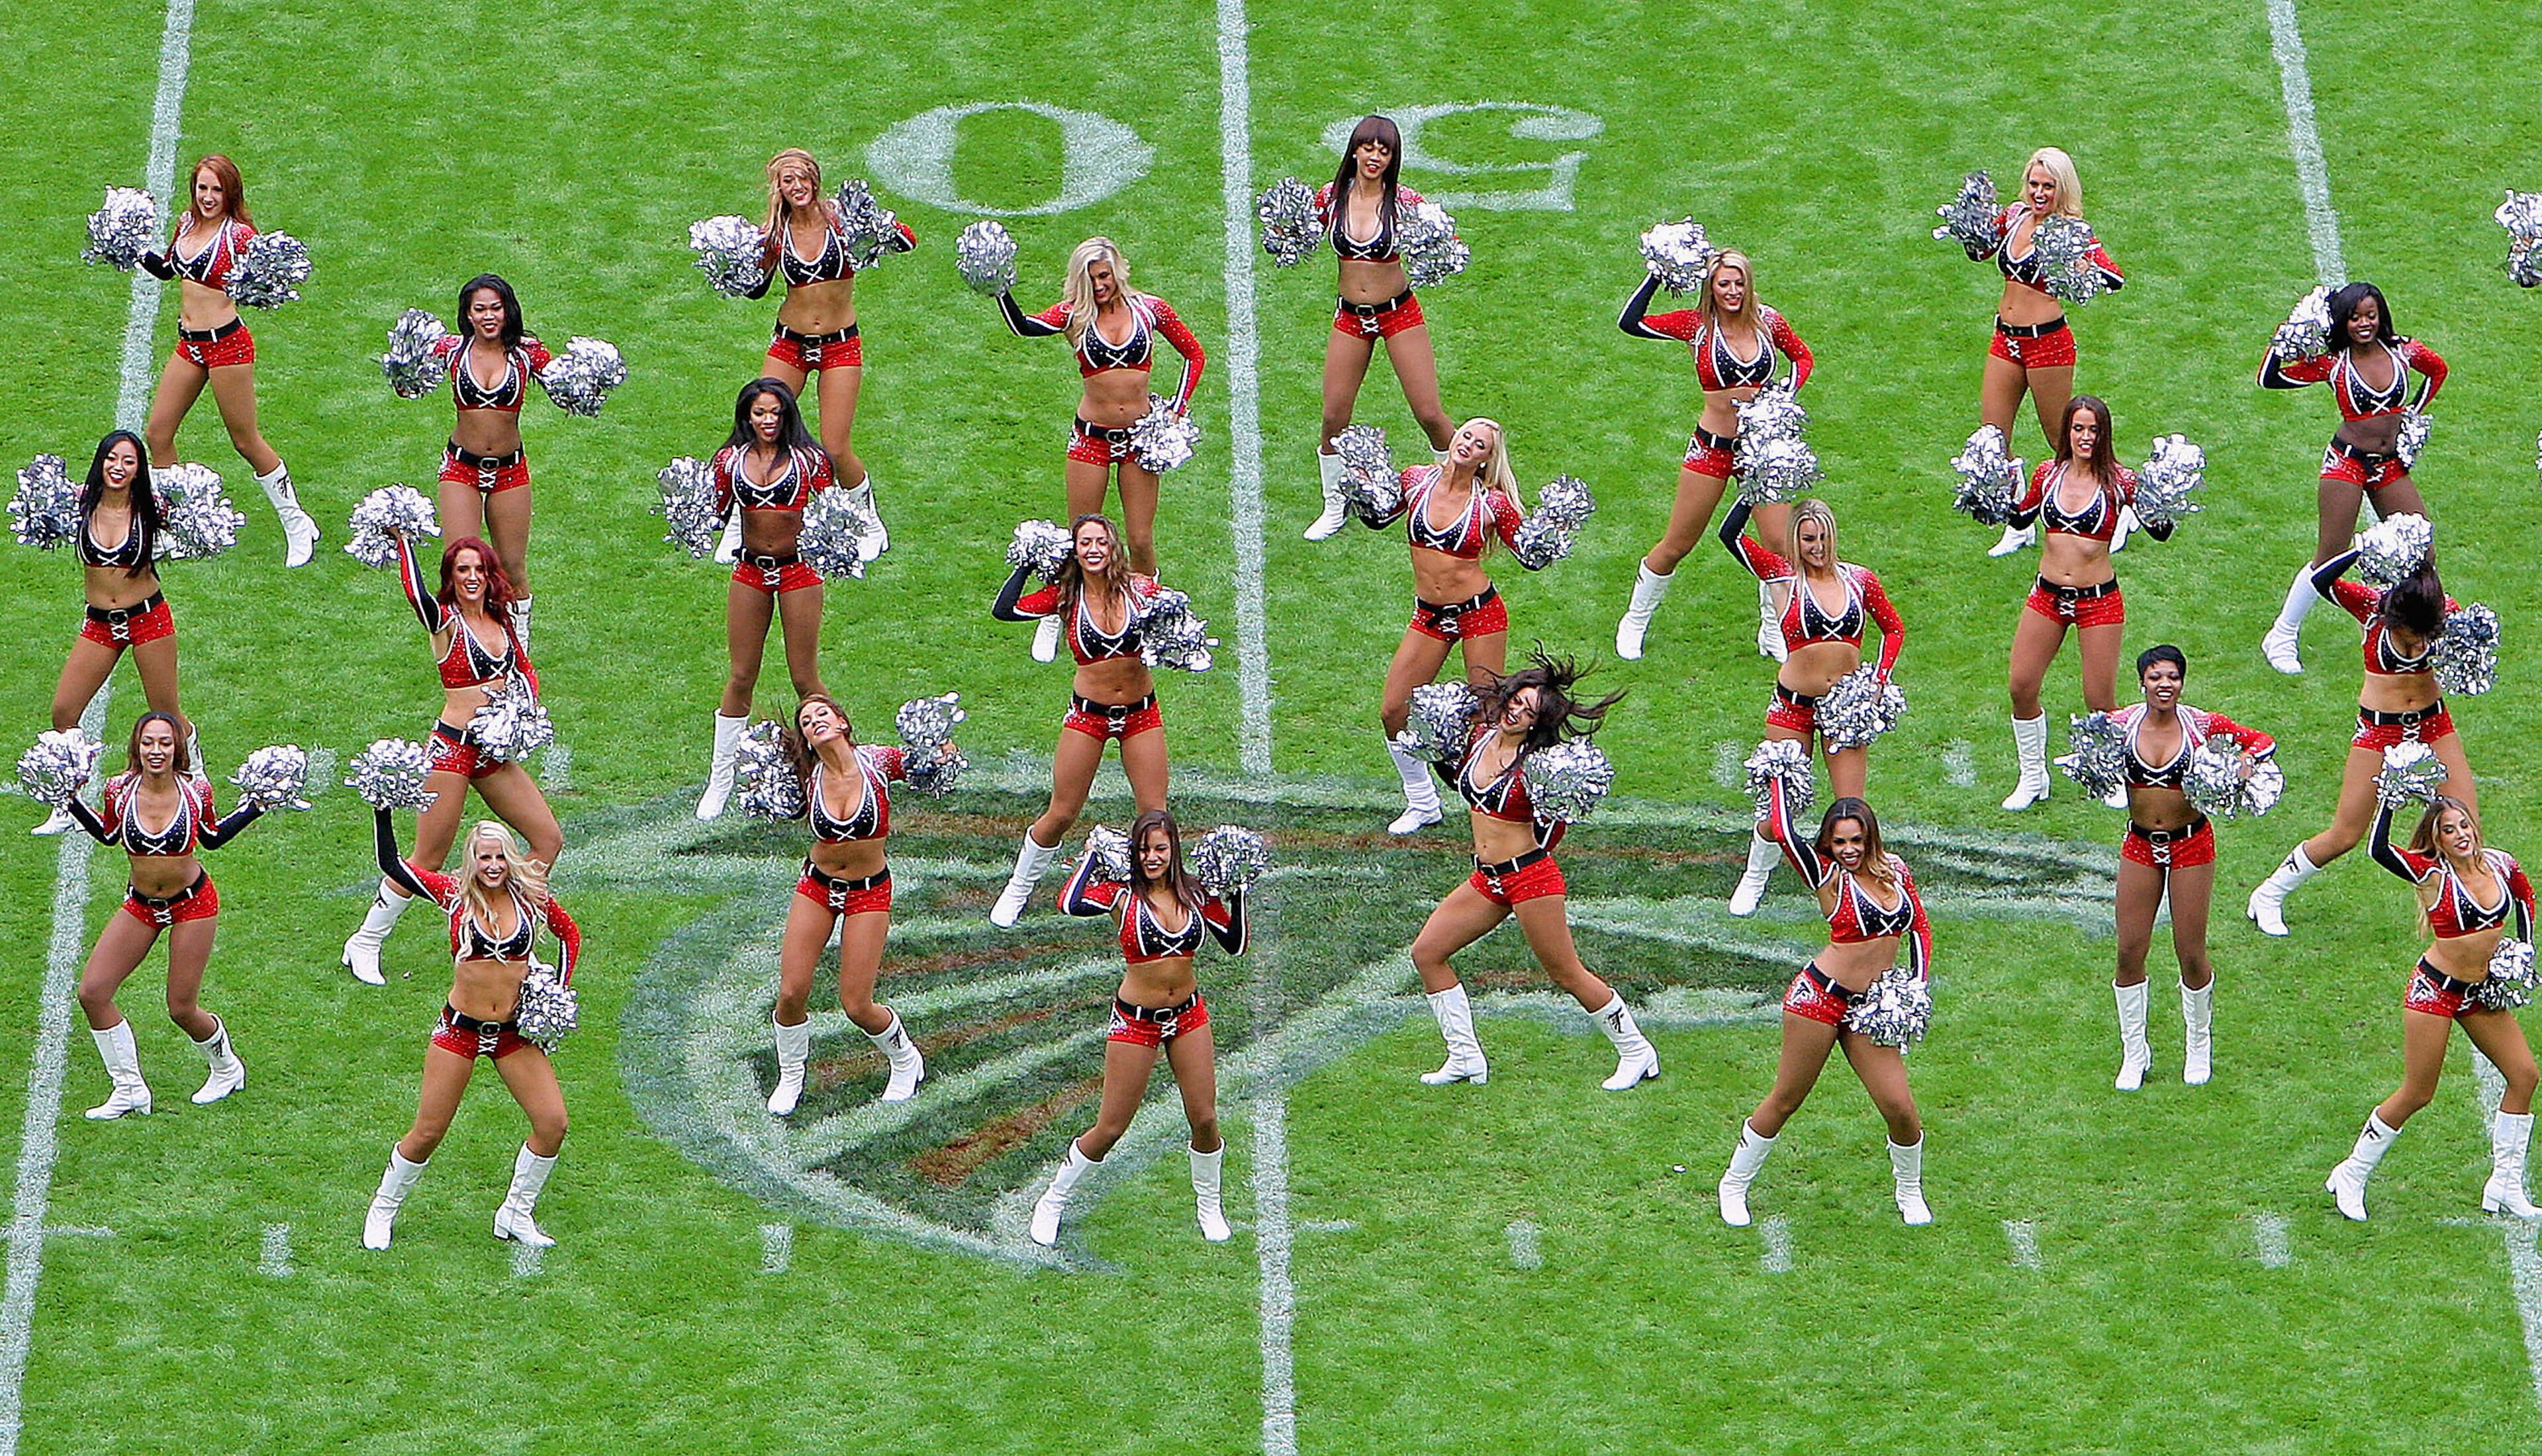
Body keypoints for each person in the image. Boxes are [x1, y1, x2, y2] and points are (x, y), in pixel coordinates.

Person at [1409, 654, 1659, 1091]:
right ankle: (1465, 1056)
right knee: (1427, 952)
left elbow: (1555, 828)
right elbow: (1459, 781)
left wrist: (1523, 862)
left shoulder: (1537, 767)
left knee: (1566, 973)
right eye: (1516, 702)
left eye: (1529, 711)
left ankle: (1636, 1051)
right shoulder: (1479, 740)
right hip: (1487, 879)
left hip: (1530, 879)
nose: (1516, 712)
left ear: (1536, 723)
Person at [341, 533, 563, 983]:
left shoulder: (500, 621)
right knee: (428, 858)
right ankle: (365, 940)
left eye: (479, 569)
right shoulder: (445, 622)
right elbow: (416, 596)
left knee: (548, 839)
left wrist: (526, 710)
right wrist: (403, 542)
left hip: (491, 751)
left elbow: (524, 670)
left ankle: (511, 932)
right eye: (462, 570)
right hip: (453, 749)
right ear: (452, 578)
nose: (472, 577)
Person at [361, 813, 581, 1250]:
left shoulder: (530, 897)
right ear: (473, 860)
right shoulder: (454, 896)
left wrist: (557, 991)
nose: (494, 865)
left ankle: (516, 1213)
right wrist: (382, 812)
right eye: (485, 857)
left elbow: (569, 935)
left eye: (501, 856)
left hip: (512, 1034)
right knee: (428, 1132)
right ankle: (382, 1209)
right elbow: (393, 865)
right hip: (459, 1031)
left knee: (553, 1123)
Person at [1716, 785, 1934, 1227]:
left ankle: (1909, 1191)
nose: (1849, 850)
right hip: (1818, 998)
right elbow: (1782, 831)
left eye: (1856, 840)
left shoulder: (1895, 870)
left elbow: (1920, 928)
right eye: (1839, 841)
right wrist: (1779, 775)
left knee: (1901, 1108)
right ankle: (1734, 1185)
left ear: (1871, 837)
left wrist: (1917, 987)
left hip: (1872, 1008)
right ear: (1828, 844)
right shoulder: (1828, 874)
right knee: (1786, 1099)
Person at [1030, 810, 1249, 1246]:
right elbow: (1070, 902)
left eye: (1161, 849)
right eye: (1144, 849)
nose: (1152, 857)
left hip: (1189, 1016)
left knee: (1205, 1118)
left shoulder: (1194, 893)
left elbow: (1235, 943)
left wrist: (1239, 888)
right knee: (1110, 1128)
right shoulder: (1121, 895)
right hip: (1136, 1022)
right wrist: (1093, 855)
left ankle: (1210, 1206)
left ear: (1174, 850)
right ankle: (1052, 1201)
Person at [2324, 794, 2538, 1221]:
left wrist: (2526, 949)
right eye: (2448, 830)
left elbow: (2525, 897)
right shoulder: (2433, 875)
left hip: (2482, 992)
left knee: (2525, 1075)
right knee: (2419, 1092)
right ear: (2437, 840)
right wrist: (2388, 800)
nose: (2460, 835)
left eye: (2463, 826)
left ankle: (2506, 1183)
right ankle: (2352, 1172)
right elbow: (2377, 850)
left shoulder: (2501, 864)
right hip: (2435, 992)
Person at [2247, 547, 2469, 935]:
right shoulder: (2370, 608)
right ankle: (2268, 894)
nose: (2419, 648)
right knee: (2346, 834)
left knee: (2466, 822)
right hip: (2379, 733)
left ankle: (2463, 913)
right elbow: (2321, 579)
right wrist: (2363, 547)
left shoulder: (2443, 611)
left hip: (2435, 725)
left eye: (2425, 638)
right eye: (2409, 637)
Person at [57, 713, 261, 1118]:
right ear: (137, 747)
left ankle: (227, 1068)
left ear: (177, 749)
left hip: (193, 903)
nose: (156, 751)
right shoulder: (119, 789)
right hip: (142, 905)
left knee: (181, 1008)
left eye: (165, 743)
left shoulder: (194, 791)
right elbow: (109, 835)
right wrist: (69, 799)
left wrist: (256, 806)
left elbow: (213, 838)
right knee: (93, 992)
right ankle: (129, 1089)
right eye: (148, 743)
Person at [1613, 250, 1814, 660]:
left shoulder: (1768, 321)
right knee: (1678, 542)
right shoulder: (1697, 325)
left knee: (1779, 545)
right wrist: (1656, 274)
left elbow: (1803, 356)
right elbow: (1631, 323)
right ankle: (1634, 620)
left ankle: (1772, 630)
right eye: (1724, 284)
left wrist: (1782, 398)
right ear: (1711, 287)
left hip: (1763, 451)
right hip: (1712, 448)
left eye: (1740, 283)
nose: (1733, 291)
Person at [1359, 417, 1546, 835]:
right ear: (1453, 439)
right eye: (1466, 436)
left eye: (1480, 445)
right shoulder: (1415, 481)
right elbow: (1376, 515)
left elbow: (1531, 555)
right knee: (1394, 709)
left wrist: (1552, 531)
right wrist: (1362, 476)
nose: (1469, 445)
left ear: (1486, 460)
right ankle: (1422, 801)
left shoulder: (1492, 504)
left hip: (1480, 614)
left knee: (1489, 715)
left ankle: (1506, 806)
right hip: (1429, 615)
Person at [1717, 497, 1903, 914]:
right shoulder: (1781, 575)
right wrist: (1754, 489)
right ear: (1794, 541)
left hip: (1846, 710)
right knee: (1778, 811)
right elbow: (1730, 535)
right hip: (1792, 707)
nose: (1817, 547)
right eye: (1807, 539)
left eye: (1822, 538)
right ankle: (1756, 875)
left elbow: (1893, 628)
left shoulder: (1859, 580)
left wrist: (1879, 680)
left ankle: (1859, 891)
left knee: (1852, 811)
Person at [986, 516, 1172, 924]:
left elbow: (1176, 620)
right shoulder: (1064, 598)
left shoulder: (1141, 591)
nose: (1093, 550)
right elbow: (1006, 610)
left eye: (1101, 543)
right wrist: (1026, 562)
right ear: (1074, 550)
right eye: (1084, 542)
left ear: (1113, 548)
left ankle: (1156, 897)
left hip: (1142, 715)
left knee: (1155, 814)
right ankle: (1019, 888)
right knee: (1063, 812)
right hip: (1089, 717)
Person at [137, 154, 320, 567]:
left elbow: (255, 281)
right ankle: (177, 528)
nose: (208, 196)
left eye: (216, 189)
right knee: (158, 433)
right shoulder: (186, 224)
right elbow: (170, 270)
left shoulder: (239, 236)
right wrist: (135, 251)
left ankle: (298, 524)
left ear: (230, 193)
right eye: (202, 187)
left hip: (228, 346)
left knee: (245, 440)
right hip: (190, 345)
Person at [996, 236, 1205, 597]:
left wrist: (1176, 410)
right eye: (1090, 279)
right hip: (1091, 439)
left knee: (1140, 539)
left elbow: (1194, 355)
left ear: (1118, 271)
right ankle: (1058, 604)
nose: (1099, 286)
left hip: (1140, 442)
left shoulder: (1150, 310)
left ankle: (1148, 608)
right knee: (1079, 535)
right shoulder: (1075, 315)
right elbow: (1024, 327)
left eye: (1104, 276)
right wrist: (1000, 290)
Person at [2104, 647, 2275, 1089]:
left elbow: (2261, 740)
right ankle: (2134, 1053)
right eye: (2156, 677)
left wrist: (2245, 764)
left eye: (2173, 677)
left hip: (2191, 845)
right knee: (2128, 950)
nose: (2165, 685)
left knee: (2191, 952)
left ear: (2182, 683)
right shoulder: (2121, 726)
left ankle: (2199, 1047)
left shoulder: (2202, 725)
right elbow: (2088, 756)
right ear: (2141, 682)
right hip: (2141, 845)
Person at [2256, 283, 2446, 673]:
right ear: (2343, 321)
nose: (2364, 324)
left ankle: (2417, 628)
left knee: (2423, 548)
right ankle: (2282, 634)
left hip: (2389, 464)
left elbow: (2437, 369)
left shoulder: (2402, 349)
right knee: (2331, 556)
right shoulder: (2334, 363)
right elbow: (2269, 378)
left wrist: (2411, 414)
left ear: (2382, 316)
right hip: (2346, 464)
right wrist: (2288, 335)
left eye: (2371, 315)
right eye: (2355, 317)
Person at [762, 695, 938, 1116]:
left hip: (869, 891)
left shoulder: (877, 762)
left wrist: (940, 750)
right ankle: (791, 1074)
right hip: (817, 887)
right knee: (791, 992)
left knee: (857, 1005)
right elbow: (769, 802)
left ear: (842, 722)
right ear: (805, 737)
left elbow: (926, 765)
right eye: (806, 720)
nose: (814, 721)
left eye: (823, 713)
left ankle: (905, 1060)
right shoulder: (805, 777)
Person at [730, 148, 907, 565]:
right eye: (788, 181)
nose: (797, 187)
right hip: (789, 343)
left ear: (815, 178)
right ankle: (742, 523)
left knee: (835, 445)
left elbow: (905, 241)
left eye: (802, 178)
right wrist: (735, 265)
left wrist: (879, 223)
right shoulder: (776, 233)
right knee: (756, 430)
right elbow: (757, 288)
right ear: (780, 189)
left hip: (840, 344)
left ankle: (867, 519)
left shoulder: (843, 219)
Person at [1999, 396, 2170, 811]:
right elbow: (2020, 519)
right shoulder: (2048, 474)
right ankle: (2033, 776)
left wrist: (2164, 496)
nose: (2086, 437)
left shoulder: (2120, 482)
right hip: (2048, 596)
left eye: (2094, 430)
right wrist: (1994, 491)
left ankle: (2110, 774)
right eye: (2078, 428)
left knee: (2099, 700)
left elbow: (2161, 531)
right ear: (2067, 433)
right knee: (2021, 685)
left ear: (2104, 434)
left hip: (2099, 602)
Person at [1956, 147, 2124, 559]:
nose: (2039, 192)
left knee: (2063, 440)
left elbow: (2113, 277)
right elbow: (1980, 250)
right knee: (1992, 438)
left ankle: (2120, 506)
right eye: (2034, 184)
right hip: (2005, 340)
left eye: (2048, 186)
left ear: (2062, 188)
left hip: (2047, 342)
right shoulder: (2015, 216)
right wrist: (1970, 221)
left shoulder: (2070, 230)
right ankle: (2019, 525)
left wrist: (2079, 267)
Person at [1301, 116, 1457, 540]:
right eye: (1369, 148)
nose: (1375, 157)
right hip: (1351, 316)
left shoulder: (1406, 202)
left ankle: (1465, 490)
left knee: (1428, 412)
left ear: (1393, 159)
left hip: (1398, 313)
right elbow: (1297, 234)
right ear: (1354, 150)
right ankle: (1334, 504)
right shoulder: (1330, 199)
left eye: (1384, 151)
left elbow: (1443, 243)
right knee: (1334, 415)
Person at [33, 432, 193, 836]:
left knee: (168, 716)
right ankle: (68, 801)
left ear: (140, 469)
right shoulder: (78, 502)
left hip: (148, 619)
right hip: (100, 624)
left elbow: (194, 508)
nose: (118, 468)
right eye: (111, 458)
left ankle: (193, 781)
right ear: (100, 461)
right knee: (64, 712)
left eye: (129, 461)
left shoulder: (151, 509)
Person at [693, 381, 835, 820]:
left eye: (775, 412)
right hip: (751, 570)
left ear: (788, 414)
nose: (768, 421)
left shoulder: (809, 461)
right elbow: (711, 513)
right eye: (759, 413)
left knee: (804, 677)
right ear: (746, 417)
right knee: (740, 676)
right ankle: (721, 780)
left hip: (799, 570)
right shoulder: (729, 460)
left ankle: (840, 769)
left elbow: (832, 515)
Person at [423, 274, 584, 647]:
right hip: (461, 468)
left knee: (512, 569)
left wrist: (589, 380)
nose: (489, 316)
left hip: (511, 472)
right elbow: (408, 383)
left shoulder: (528, 353)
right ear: (468, 314)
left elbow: (567, 391)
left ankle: (518, 644)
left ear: (508, 311)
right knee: (461, 563)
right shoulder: (450, 350)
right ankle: (469, 647)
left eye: (496, 308)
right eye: (480, 309)